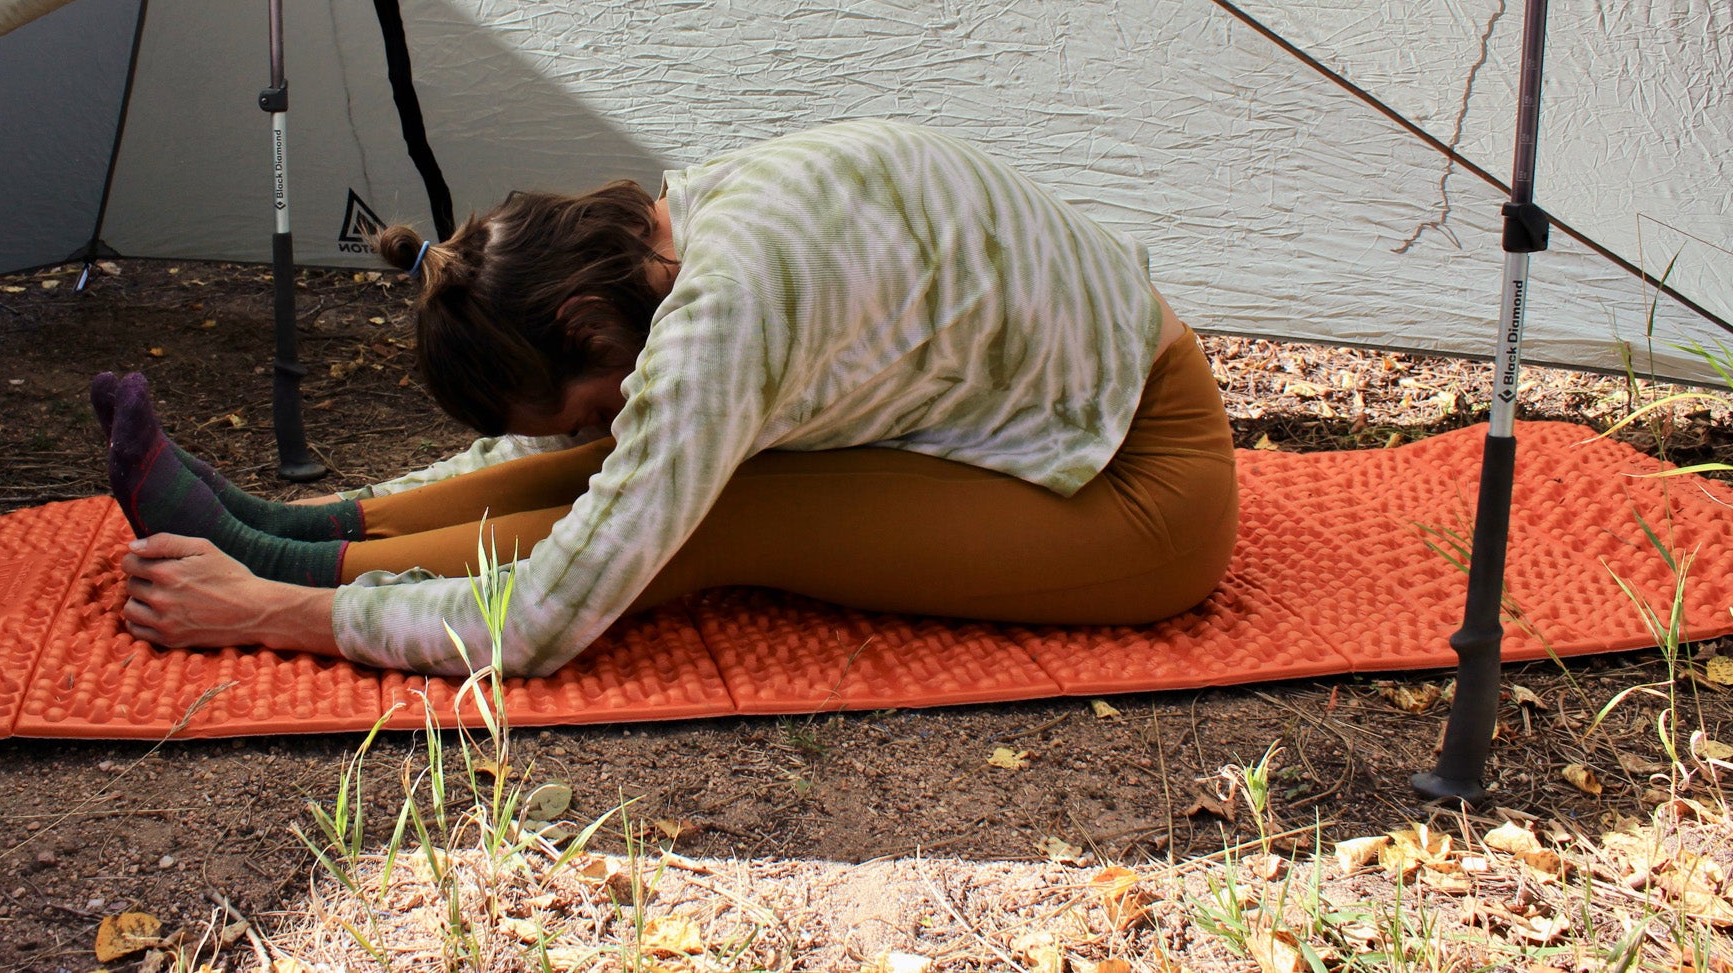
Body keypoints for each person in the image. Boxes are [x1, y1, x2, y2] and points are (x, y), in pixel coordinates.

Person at [98, 118, 1237, 677]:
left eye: (584, 404)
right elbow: (624, 453)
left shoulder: (723, 313)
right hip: (1058, 419)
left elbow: (546, 620)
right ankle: (283, 532)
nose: (605, 423)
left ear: (583, 324)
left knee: (710, 512)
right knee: (668, 472)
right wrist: (334, 510)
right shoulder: (682, 219)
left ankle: (279, 565)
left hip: (1142, 489)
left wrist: (275, 615)